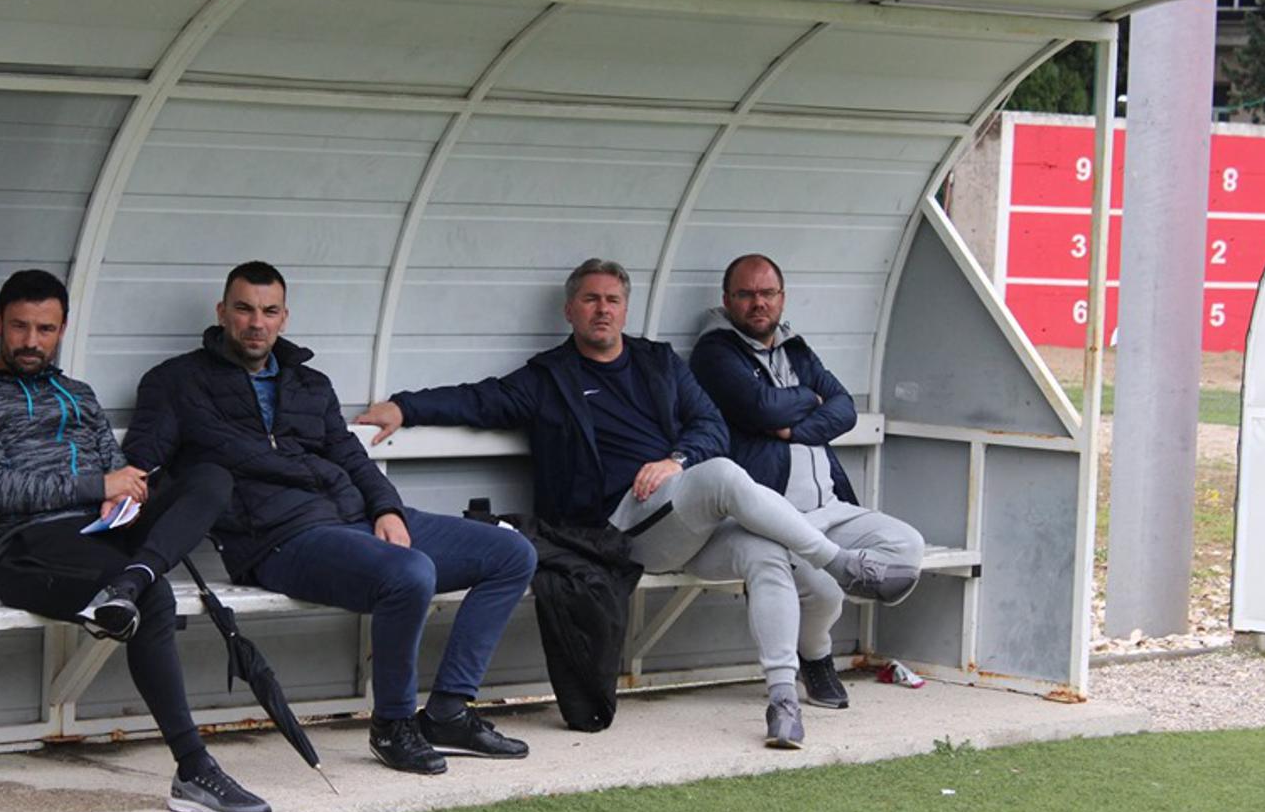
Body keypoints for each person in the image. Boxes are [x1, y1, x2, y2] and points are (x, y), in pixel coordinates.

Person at [356, 259, 915, 749]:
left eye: (613, 300)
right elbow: (478, 400)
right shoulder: (550, 378)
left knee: (763, 550)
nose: (603, 309)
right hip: (617, 532)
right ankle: (839, 563)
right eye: (591, 300)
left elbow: (710, 426)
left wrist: (676, 459)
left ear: (626, 309)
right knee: (723, 475)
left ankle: (782, 700)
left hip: (684, 521)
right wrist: (404, 407)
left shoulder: (658, 362)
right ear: (570, 310)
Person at [120, 261, 538, 776]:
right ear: (222, 312)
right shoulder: (176, 382)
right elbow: (143, 461)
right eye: (245, 309)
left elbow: (351, 456)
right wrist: (121, 496)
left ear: (284, 317)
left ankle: (449, 712)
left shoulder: (308, 383)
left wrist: (386, 508)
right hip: (277, 538)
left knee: (511, 553)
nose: (256, 323)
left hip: (354, 517)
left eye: (269, 311)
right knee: (409, 573)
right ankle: (393, 725)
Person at [0, 268, 270, 812]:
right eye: (19, 326)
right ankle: (193, 770)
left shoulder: (78, 395)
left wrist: (125, 492)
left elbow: (116, 473)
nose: (31, 341)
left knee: (211, 478)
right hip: (27, 548)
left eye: (45, 329)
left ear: (62, 329)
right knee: (155, 598)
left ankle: (131, 579)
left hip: (106, 534)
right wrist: (98, 486)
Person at [688, 253, 925, 712]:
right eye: (746, 294)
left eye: (767, 293)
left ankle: (836, 583)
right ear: (727, 300)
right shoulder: (714, 352)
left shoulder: (795, 347)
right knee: (825, 590)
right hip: (773, 516)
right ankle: (816, 655)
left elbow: (843, 408)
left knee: (907, 547)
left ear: (782, 297)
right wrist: (808, 400)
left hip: (829, 506)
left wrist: (793, 430)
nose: (758, 303)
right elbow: (761, 408)